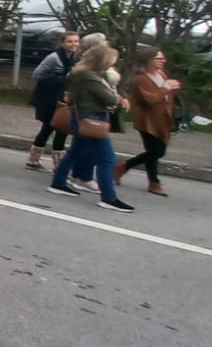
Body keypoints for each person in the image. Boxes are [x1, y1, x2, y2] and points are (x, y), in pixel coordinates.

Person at [48, 44, 135, 212]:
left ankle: (58, 182)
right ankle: (108, 197)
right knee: (106, 158)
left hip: (82, 116)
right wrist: (116, 99)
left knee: (76, 151)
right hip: (93, 118)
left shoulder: (80, 74)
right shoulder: (90, 78)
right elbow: (109, 98)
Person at [117, 47, 181, 197]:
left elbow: (165, 98)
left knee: (153, 152)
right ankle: (125, 168)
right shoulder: (141, 79)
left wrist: (172, 89)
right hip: (148, 121)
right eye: (159, 59)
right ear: (148, 61)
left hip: (162, 119)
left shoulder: (162, 75)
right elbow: (149, 100)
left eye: (163, 59)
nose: (163, 61)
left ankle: (153, 182)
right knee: (156, 151)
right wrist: (165, 89)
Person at [26, 32, 80, 171]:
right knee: (56, 129)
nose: (73, 44)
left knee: (54, 130)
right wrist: (62, 78)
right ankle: (56, 165)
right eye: (70, 41)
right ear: (62, 43)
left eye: (76, 41)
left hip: (63, 99)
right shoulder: (54, 58)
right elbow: (37, 74)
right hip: (49, 99)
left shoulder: (74, 58)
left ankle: (38, 161)